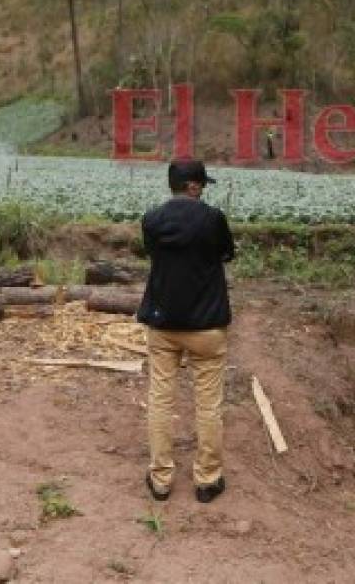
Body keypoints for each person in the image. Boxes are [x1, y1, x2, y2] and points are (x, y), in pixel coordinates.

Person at [137, 159, 235, 504]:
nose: (204, 188)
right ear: (192, 186)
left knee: (161, 400)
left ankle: (161, 480)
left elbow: (153, 254)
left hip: (163, 324)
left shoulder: (152, 220)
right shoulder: (213, 219)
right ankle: (207, 481)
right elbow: (226, 253)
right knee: (208, 404)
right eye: (201, 183)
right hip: (207, 326)